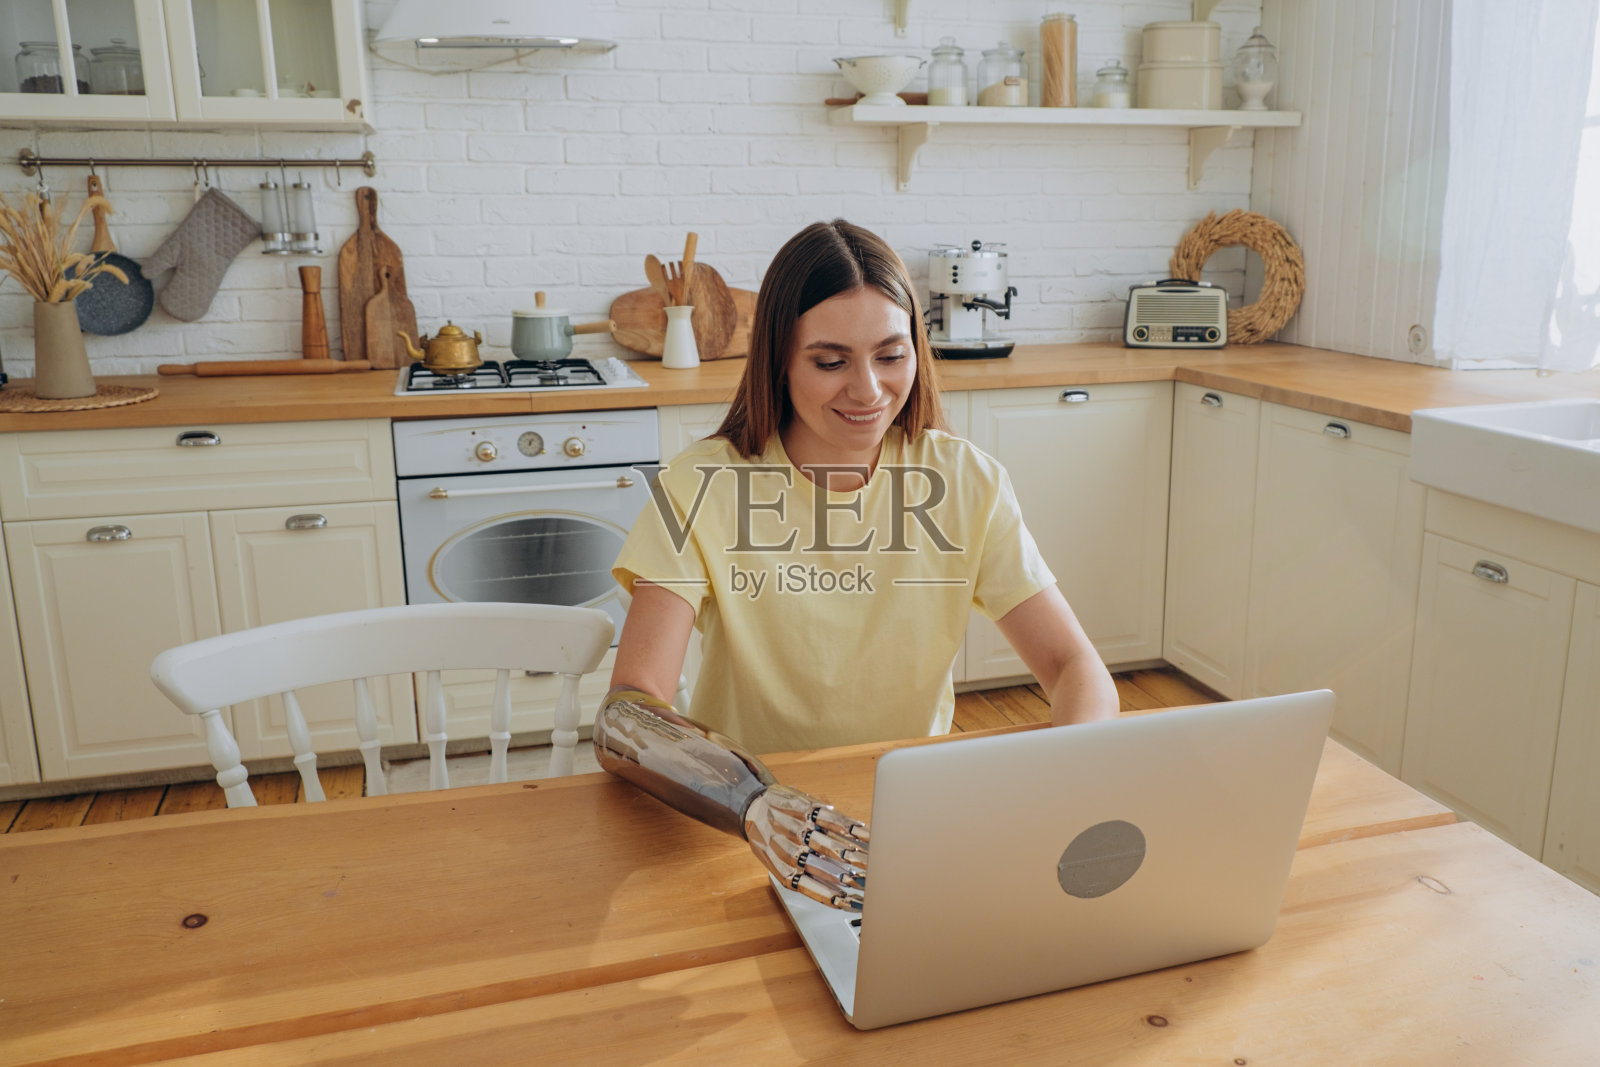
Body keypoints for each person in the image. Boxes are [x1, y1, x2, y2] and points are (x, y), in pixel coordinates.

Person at [594, 219, 1117, 910]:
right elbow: (628, 713)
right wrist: (754, 802)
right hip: (743, 828)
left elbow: (1078, 669)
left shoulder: (967, 482)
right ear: (779, 361)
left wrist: (1063, 782)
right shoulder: (703, 485)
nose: (868, 390)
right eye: (830, 361)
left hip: (911, 823)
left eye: (891, 355)